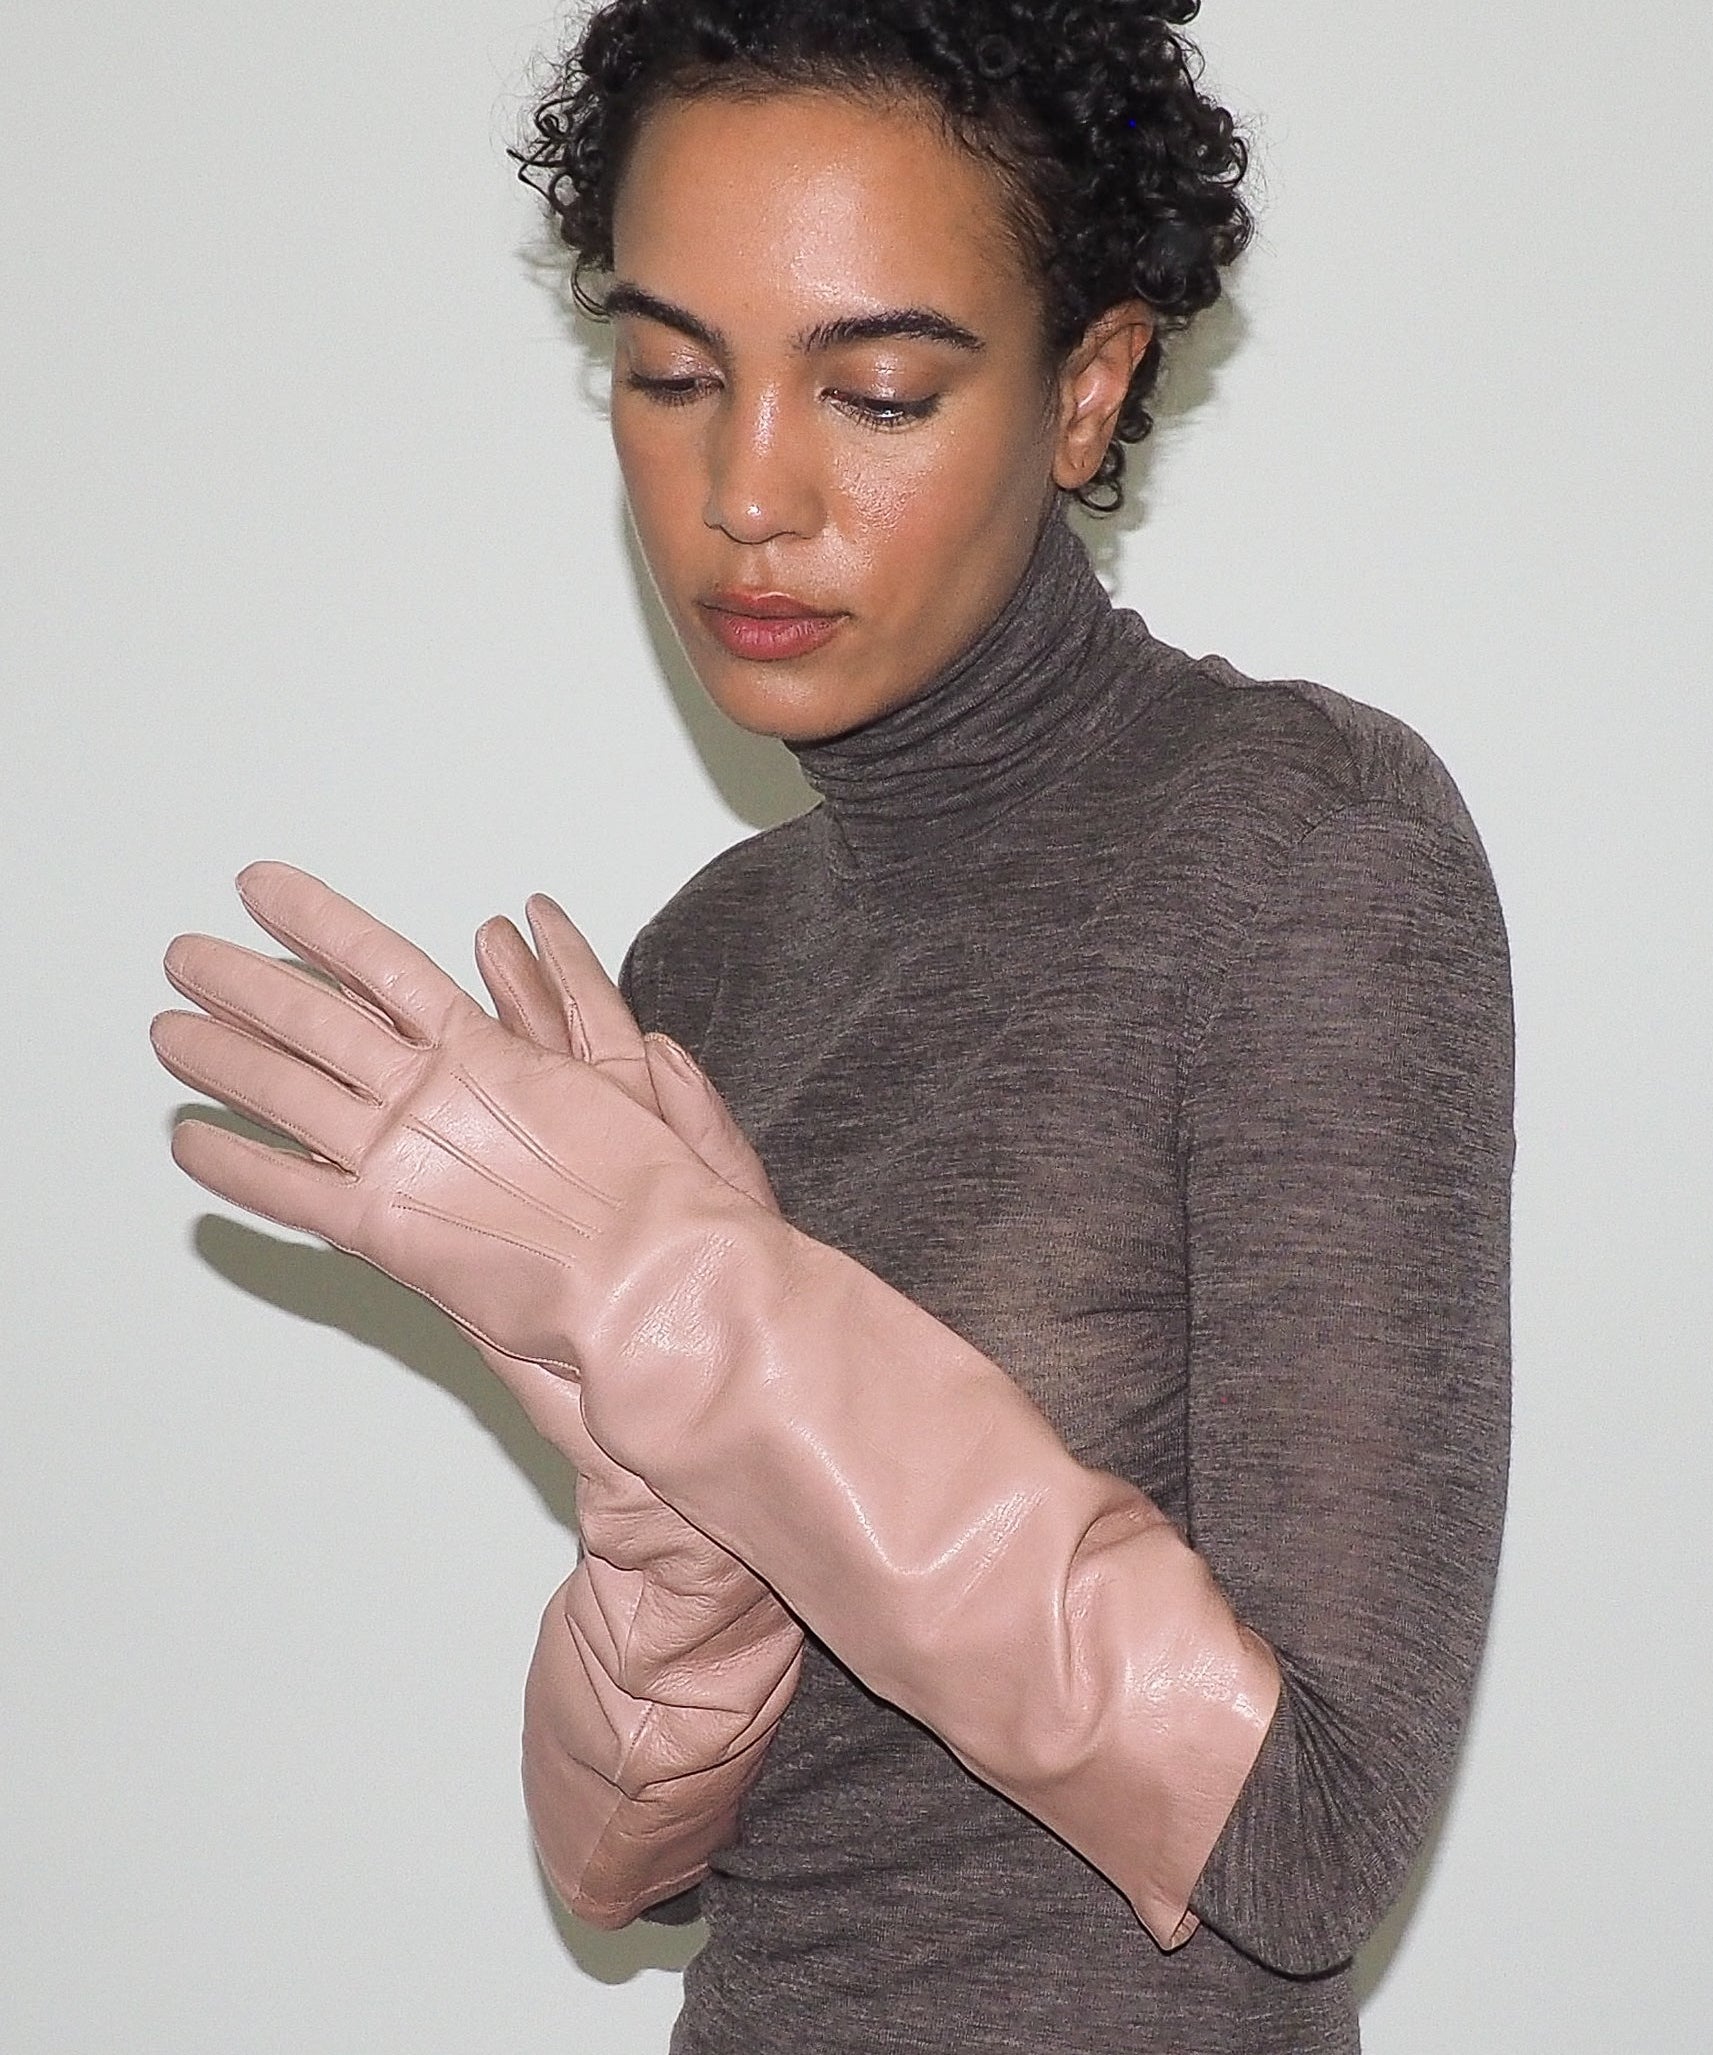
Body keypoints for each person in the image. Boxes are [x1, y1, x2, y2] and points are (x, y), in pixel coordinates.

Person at [150, 1, 1514, 2049]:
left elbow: (1312, 1838)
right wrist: (658, 1540)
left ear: (1090, 388)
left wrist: (699, 1311)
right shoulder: (712, 957)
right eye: (669, 371)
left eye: (871, 389)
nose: (746, 488)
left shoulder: (1300, 844)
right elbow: (632, 1871)